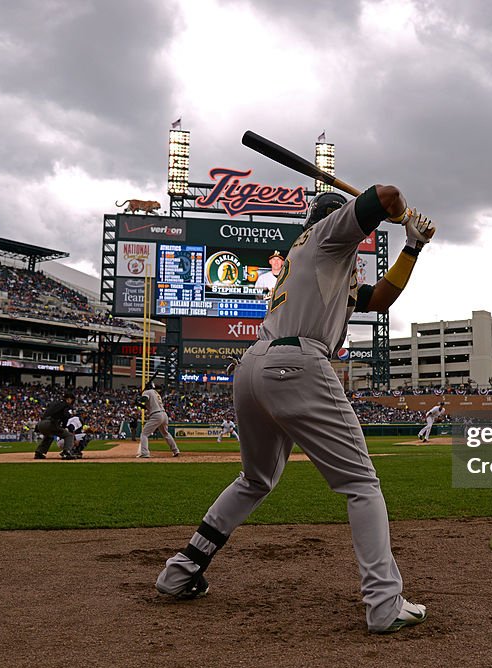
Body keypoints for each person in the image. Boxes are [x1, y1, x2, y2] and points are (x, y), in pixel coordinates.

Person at [156, 185, 435, 634]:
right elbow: (386, 195)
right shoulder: (327, 236)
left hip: (253, 367)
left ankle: (181, 570)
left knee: (254, 480)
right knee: (361, 483)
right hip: (297, 362)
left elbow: (379, 300)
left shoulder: (320, 264)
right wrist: (402, 213)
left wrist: (413, 247)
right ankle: (384, 603)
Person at [137, 380, 180, 458]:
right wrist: (139, 403)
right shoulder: (156, 393)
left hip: (156, 415)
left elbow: (144, 399)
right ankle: (175, 450)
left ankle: (145, 453)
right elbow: (147, 406)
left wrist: (139, 398)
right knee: (166, 434)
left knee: (144, 434)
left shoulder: (147, 392)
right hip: (164, 414)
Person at [34, 391, 77, 460]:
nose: (72, 402)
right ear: (68, 399)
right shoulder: (67, 405)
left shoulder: (55, 403)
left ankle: (39, 453)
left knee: (49, 436)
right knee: (69, 435)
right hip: (50, 423)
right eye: (72, 400)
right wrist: (64, 427)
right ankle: (66, 453)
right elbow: (66, 416)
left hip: (40, 424)